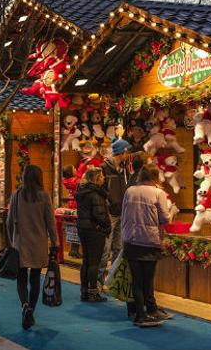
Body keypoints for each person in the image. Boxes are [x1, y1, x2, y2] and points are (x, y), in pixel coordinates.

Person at [121, 164, 174, 327]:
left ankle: (142, 313)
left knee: (137, 280)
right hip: (149, 240)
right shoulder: (159, 193)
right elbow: (165, 219)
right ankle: (147, 313)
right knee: (148, 279)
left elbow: (123, 214)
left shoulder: (130, 191)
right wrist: (172, 211)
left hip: (131, 239)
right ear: (155, 177)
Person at [6, 165, 58, 330]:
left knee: (21, 279)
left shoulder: (17, 195)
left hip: (20, 243)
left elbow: (9, 222)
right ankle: (31, 311)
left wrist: (11, 241)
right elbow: (50, 222)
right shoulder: (44, 196)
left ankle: (25, 305)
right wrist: (55, 243)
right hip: (39, 244)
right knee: (34, 279)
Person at [98, 138, 132, 283]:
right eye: (127, 151)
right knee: (105, 249)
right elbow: (100, 190)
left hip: (122, 212)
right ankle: (98, 281)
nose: (128, 154)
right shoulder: (104, 168)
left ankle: (114, 281)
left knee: (118, 248)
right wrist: (108, 204)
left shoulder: (124, 169)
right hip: (110, 213)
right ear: (122, 152)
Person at [74, 167, 111, 303]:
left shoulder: (82, 191)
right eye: (101, 176)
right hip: (94, 230)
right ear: (96, 178)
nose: (103, 178)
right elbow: (99, 214)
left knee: (86, 261)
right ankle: (93, 292)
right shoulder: (96, 194)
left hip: (83, 228)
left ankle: (84, 291)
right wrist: (107, 227)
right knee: (94, 262)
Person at [62, 164, 81, 258]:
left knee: (73, 229)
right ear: (70, 171)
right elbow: (82, 181)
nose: (76, 169)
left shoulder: (67, 181)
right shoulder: (74, 181)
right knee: (76, 229)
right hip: (76, 205)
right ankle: (74, 250)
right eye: (74, 168)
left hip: (71, 205)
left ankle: (73, 249)